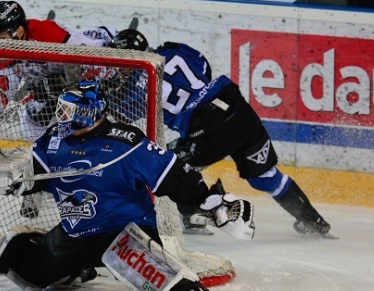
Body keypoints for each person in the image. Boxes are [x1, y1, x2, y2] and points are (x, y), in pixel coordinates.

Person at [0, 80, 255, 291]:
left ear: (86, 113)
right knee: (26, 272)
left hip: (124, 232)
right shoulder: (55, 137)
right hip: (75, 233)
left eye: (67, 110)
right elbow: (37, 171)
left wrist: (210, 201)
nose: (61, 115)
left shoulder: (126, 143)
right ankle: (73, 269)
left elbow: (173, 174)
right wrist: (16, 179)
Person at [107, 30, 335, 239]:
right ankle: (314, 221)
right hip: (234, 106)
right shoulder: (172, 49)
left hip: (206, 129)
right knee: (264, 175)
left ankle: (193, 218)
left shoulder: (129, 90)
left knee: (170, 167)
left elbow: (120, 116)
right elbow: (204, 67)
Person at [0, 0, 115, 218]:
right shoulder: (5, 51)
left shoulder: (45, 33)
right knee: (30, 120)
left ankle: (93, 188)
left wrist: (64, 86)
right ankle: (36, 182)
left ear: (19, 31)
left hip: (98, 76)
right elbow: (1, 83)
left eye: (1, 38)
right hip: (55, 96)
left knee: (83, 132)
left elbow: (84, 64)